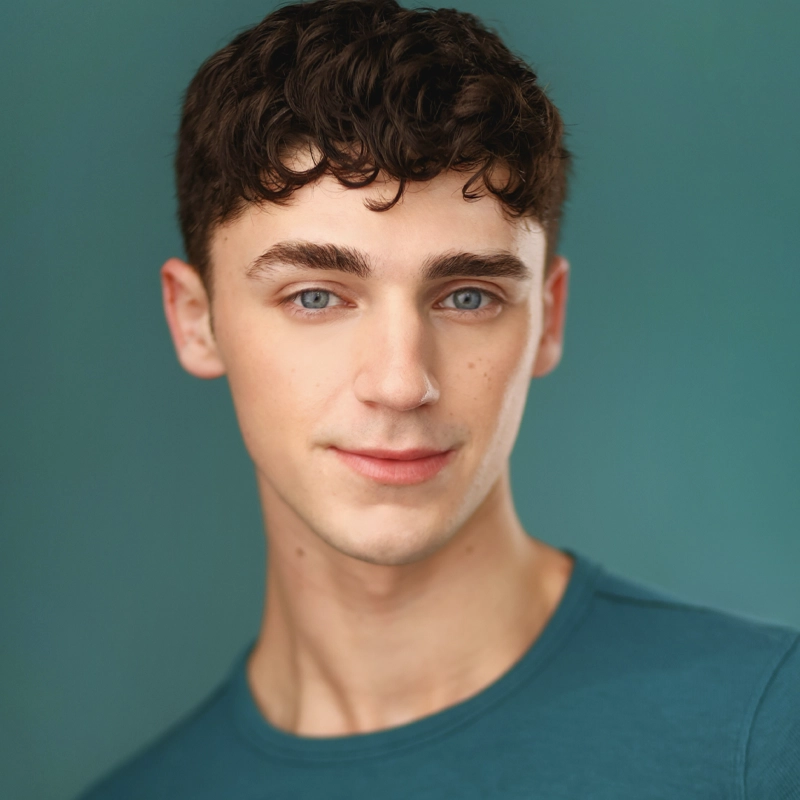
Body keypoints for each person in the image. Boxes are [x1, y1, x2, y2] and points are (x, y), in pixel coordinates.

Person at [78, 0, 799, 797]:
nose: (400, 382)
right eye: (316, 297)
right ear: (195, 321)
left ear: (548, 318)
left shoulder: (764, 734)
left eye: (467, 297)